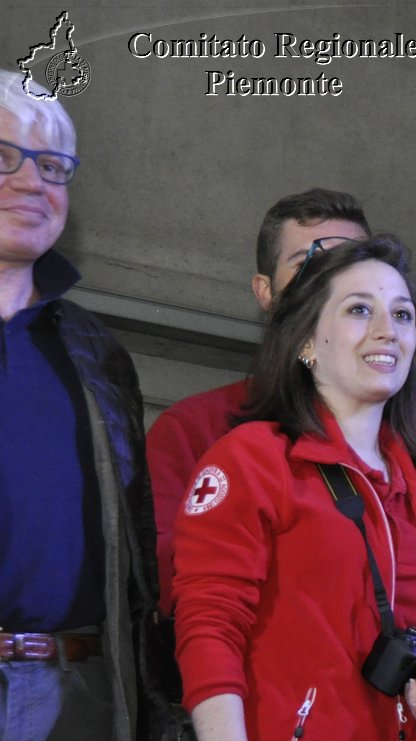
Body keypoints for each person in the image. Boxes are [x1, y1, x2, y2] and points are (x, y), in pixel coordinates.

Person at [172, 236, 416, 741]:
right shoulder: (253, 460)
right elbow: (208, 629)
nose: (388, 329)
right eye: (360, 309)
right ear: (307, 340)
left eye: (402, 314)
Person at [0, 70, 163, 741]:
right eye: (6, 156)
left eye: (53, 165)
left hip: (76, 700)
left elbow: (137, 554)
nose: (34, 182)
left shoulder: (99, 355)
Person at [147, 188, 375, 617]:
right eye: (306, 262)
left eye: (352, 263)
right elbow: (168, 582)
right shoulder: (194, 430)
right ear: (265, 291)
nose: (331, 281)